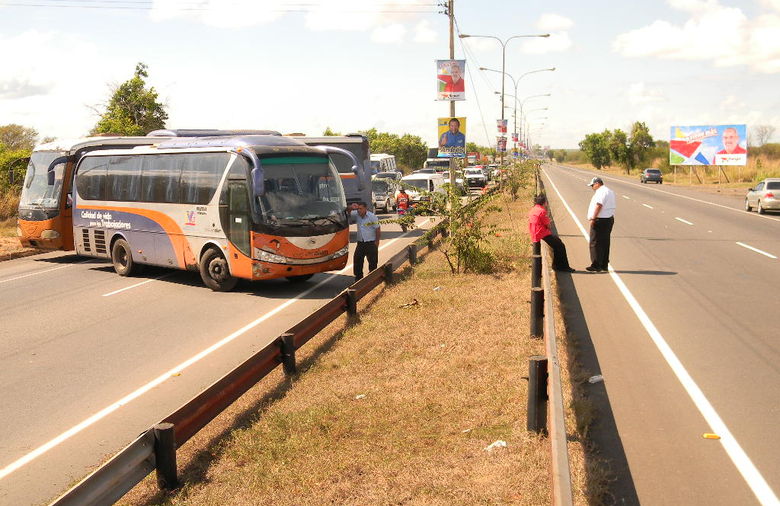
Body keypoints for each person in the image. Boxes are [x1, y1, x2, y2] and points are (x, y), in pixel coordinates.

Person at [528, 194, 575, 272]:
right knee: (561, 246)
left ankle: (556, 266)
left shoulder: (533, 209)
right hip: (541, 232)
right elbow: (548, 224)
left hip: (534, 231)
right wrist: (549, 229)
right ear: (544, 202)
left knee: (557, 243)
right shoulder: (542, 211)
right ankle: (564, 267)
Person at [585, 177, 616, 272]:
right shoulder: (610, 191)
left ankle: (596, 264)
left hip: (600, 220)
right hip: (608, 219)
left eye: (592, 185)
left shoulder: (601, 192)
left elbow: (599, 205)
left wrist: (593, 218)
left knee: (595, 242)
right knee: (605, 242)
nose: (592, 187)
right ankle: (604, 264)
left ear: (597, 183)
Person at [349, 201, 381, 280]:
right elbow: (347, 212)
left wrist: (377, 242)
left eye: (361, 208)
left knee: (372, 262)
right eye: (358, 209)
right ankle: (358, 279)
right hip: (361, 243)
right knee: (357, 261)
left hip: (370, 243)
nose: (359, 210)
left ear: (365, 208)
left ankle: (373, 279)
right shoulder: (357, 215)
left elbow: (377, 229)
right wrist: (351, 207)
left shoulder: (372, 216)